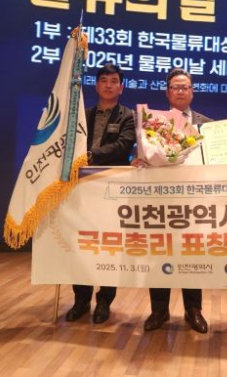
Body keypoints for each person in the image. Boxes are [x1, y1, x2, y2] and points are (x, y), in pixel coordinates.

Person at [65, 63, 136, 324]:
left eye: (114, 81)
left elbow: (123, 146)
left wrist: (90, 156)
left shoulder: (128, 116)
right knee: (81, 244)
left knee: (109, 246)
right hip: (82, 188)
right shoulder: (82, 115)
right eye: (104, 80)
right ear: (96, 86)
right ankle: (81, 299)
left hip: (112, 189)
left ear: (121, 87)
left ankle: (104, 300)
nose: (108, 85)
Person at [143, 68, 212, 334]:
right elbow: (145, 156)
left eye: (185, 87)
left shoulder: (208, 125)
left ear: (192, 92)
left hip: (195, 203)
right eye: (175, 87)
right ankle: (159, 311)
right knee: (159, 253)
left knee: (191, 254)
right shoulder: (154, 123)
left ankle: (193, 310)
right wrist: (140, 161)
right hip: (162, 201)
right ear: (167, 92)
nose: (180, 91)